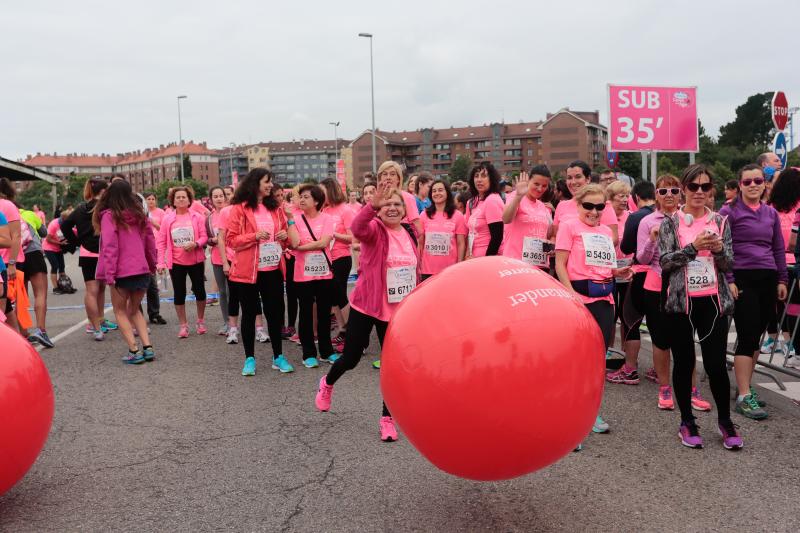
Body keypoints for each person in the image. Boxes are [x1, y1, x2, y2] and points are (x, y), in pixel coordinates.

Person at [315, 181, 419, 442]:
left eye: (397, 204)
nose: (392, 208)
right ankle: (327, 384)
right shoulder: (375, 229)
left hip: (397, 310)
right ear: (379, 209)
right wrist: (372, 206)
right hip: (368, 305)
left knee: (391, 367)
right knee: (350, 359)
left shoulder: (409, 232)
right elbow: (358, 228)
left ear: (405, 209)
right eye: (387, 204)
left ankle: (387, 419)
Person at [659, 164, 741, 450]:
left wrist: (718, 250)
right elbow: (665, 262)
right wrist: (693, 247)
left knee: (716, 365)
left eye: (705, 187)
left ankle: (726, 422)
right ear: (684, 189)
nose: (699, 192)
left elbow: (729, 263)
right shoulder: (671, 222)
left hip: (713, 301)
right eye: (693, 187)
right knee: (684, 362)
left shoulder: (720, 221)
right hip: (682, 303)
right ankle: (687, 421)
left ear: (711, 191)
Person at [555, 184, 630, 436]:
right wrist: (570, 294)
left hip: (605, 299)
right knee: (577, 359)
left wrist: (617, 272)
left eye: (600, 206)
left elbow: (605, 266)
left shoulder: (606, 233)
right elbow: (560, 264)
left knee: (598, 360)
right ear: (578, 205)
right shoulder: (568, 226)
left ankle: (591, 411)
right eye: (589, 206)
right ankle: (570, 413)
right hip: (578, 299)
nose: (594, 211)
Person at [635, 175, 711, 411]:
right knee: (660, 341)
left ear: (681, 193)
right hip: (656, 285)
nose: (669, 195)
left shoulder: (688, 219)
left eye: (674, 190)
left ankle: (691, 388)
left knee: (686, 340)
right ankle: (665, 387)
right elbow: (642, 259)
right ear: (656, 194)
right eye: (663, 191)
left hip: (685, 286)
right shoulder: (648, 221)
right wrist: (651, 240)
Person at [720, 164, 788, 420]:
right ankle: (744, 396)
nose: (753, 185)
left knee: (757, 335)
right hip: (742, 278)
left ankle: (744, 388)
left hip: (768, 278)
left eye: (757, 180)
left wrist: (782, 278)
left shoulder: (770, 213)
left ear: (764, 183)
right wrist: (729, 278)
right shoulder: (728, 212)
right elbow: (722, 248)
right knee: (747, 335)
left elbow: (778, 248)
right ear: (740, 185)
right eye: (747, 182)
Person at [225, 169, 290, 376]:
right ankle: (249, 359)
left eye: (271, 181)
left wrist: (283, 235)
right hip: (248, 271)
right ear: (255, 183)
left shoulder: (276, 208)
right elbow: (231, 240)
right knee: (249, 314)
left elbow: (286, 238)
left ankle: (278, 356)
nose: (271, 185)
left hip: (272, 269)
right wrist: (254, 236)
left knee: (275, 313)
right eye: (267, 182)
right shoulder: (239, 208)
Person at [93, 180, 157, 364]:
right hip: (142, 268)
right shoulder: (140, 216)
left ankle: (134, 350)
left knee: (120, 311)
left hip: (121, 271)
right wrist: (151, 265)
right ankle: (147, 347)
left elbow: (110, 247)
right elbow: (150, 243)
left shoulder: (108, 216)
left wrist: (110, 274)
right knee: (135, 310)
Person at [609, 181, 656, 385]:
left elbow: (627, 245)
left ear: (635, 197)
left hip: (639, 272)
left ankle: (630, 369)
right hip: (663, 275)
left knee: (631, 321)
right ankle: (657, 369)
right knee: (658, 325)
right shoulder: (669, 215)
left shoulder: (636, 216)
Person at [286, 184, 338, 368]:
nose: (301, 199)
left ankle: (326, 351)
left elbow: (324, 242)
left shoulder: (328, 218)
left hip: (324, 272)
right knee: (306, 313)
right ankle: (308, 353)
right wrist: (291, 221)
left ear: (316, 200)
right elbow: (293, 241)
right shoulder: (295, 219)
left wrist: (301, 247)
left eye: (306, 197)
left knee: (324, 312)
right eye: (300, 197)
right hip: (303, 274)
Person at [62, 178, 118, 341]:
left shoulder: (80, 209)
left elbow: (65, 225)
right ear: (102, 192)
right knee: (99, 290)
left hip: (87, 253)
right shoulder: (107, 207)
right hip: (104, 252)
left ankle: (97, 324)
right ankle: (96, 324)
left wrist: (76, 241)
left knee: (94, 290)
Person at [156, 186, 208, 338]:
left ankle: (200, 320)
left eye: (183, 197)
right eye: (177, 197)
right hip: (176, 262)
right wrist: (160, 263)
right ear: (173, 200)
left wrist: (196, 244)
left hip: (196, 260)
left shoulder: (197, 217)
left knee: (200, 291)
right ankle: (183, 325)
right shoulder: (167, 219)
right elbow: (161, 242)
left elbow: (204, 236)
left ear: (189, 199)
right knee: (179, 293)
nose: (180, 199)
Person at [766, 167, 800, 367]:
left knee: (783, 307)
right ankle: (791, 346)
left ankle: (788, 344)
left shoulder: (769, 207)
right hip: (789, 264)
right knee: (792, 307)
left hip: (775, 263)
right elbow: (794, 241)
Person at [604, 180, 637, 361]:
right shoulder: (602, 215)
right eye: (620, 196)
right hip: (608, 269)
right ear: (610, 198)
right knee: (611, 312)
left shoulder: (630, 216)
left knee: (626, 312)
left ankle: (625, 352)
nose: (624, 199)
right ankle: (609, 351)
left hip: (626, 268)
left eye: (627, 196)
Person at [320, 178, 355, 351]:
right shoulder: (324, 210)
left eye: (322, 191)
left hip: (341, 257)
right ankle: (342, 329)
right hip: (326, 258)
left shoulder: (345, 210)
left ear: (330, 190)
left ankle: (352, 331)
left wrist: (333, 234)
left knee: (341, 295)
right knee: (333, 297)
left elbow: (353, 237)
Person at [552, 160, 618, 245]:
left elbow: (614, 238)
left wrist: (584, 249)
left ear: (588, 179)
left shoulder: (603, 205)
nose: (573, 182)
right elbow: (555, 236)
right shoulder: (561, 205)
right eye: (569, 178)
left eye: (578, 177)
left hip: (592, 257)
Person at [501, 166, 553, 270]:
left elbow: (548, 236)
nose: (540, 189)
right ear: (528, 181)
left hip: (539, 266)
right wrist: (518, 196)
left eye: (544, 186)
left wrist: (551, 246)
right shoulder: (514, 196)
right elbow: (506, 219)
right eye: (536, 184)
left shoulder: (543, 207)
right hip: (516, 264)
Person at [17, 200, 53, 348]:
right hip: (33, 253)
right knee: (40, 293)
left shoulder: (5, 215)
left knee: (20, 297)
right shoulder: (30, 214)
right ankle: (41, 330)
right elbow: (44, 232)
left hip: (17, 257)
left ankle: (23, 334)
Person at [419, 179, 467, 280]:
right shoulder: (424, 215)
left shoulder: (458, 216)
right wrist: (419, 264)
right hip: (427, 270)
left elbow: (461, 243)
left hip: (450, 271)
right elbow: (420, 242)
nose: (437, 193)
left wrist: (459, 266)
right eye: (434, 191)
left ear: (447, 193)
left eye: (440, 190)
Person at [465, 162, 505, 258]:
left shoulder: (492, 200)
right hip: (474, 258)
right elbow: (470, 233)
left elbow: (497, 237)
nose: (479, 180)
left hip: (489, 259)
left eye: (483, 176)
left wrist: (486, 260)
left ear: (491, 179)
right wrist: (468, 254)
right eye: (476, 176)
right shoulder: (472, 202)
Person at [376, 161, 422, 235]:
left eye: (392, 174)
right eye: (385, 174)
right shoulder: (375, 199)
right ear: (380, 178)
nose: (388, 177)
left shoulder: (408, 197)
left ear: (398, 178)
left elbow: (418, 227)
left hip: (403, 241)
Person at [144, 192, 167, 325]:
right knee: (142, 285)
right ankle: (137, 315)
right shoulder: (141, 212)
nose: (151, 201)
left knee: (152, 284)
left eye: (153, 199)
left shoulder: (160, 212)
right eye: (148, 199)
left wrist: (153, 222)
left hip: (156, 247)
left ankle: (154, 313)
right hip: (143, 249)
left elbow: (163, 229)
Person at [44, 208, 71, 294]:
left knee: (62, 267)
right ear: (63, 219)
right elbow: (48, 239)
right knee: (55, 266)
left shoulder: (66, 224)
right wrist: (59, 243)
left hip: (58, 247)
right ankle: (56, 288)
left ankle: (65, 285)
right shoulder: (54, 224)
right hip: (49, 248)